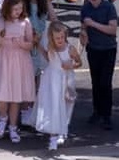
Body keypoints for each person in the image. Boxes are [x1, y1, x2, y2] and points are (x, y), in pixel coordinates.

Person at [0, 0, 36, 143]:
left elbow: (30, 43)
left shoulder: (25, 22)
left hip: (19, 62)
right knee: (2, 94)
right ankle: (3, 118)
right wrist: (0, 41)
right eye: (15, 9)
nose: (18, 12)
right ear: (7, 8)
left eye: (20, 9)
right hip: (3, 61)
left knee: (16, 96)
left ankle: (13, 126)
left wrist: (22, 44)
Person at [33, 20, 83, 151]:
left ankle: (62, 129)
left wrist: (71, 65)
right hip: (51, 79)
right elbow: (49, 58)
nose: (60, 40)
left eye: (62, 37)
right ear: (52, 38)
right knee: (53, 106)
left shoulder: (70, 49)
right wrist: (38, 46)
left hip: (65, 79)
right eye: (57, 38)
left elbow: (79, 62)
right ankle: (53, 137)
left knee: (65, 105)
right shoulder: (51, 47)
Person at [79, 0, 119, 131]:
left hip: (108, 49)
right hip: (93, 48)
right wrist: (84, 35)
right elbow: (83, 26)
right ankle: (97, 111)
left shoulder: (109, 7)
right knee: (95, 82)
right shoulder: (85, 8)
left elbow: (112, 29)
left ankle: (107, 114)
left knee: (105, 82)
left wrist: (93, 24)